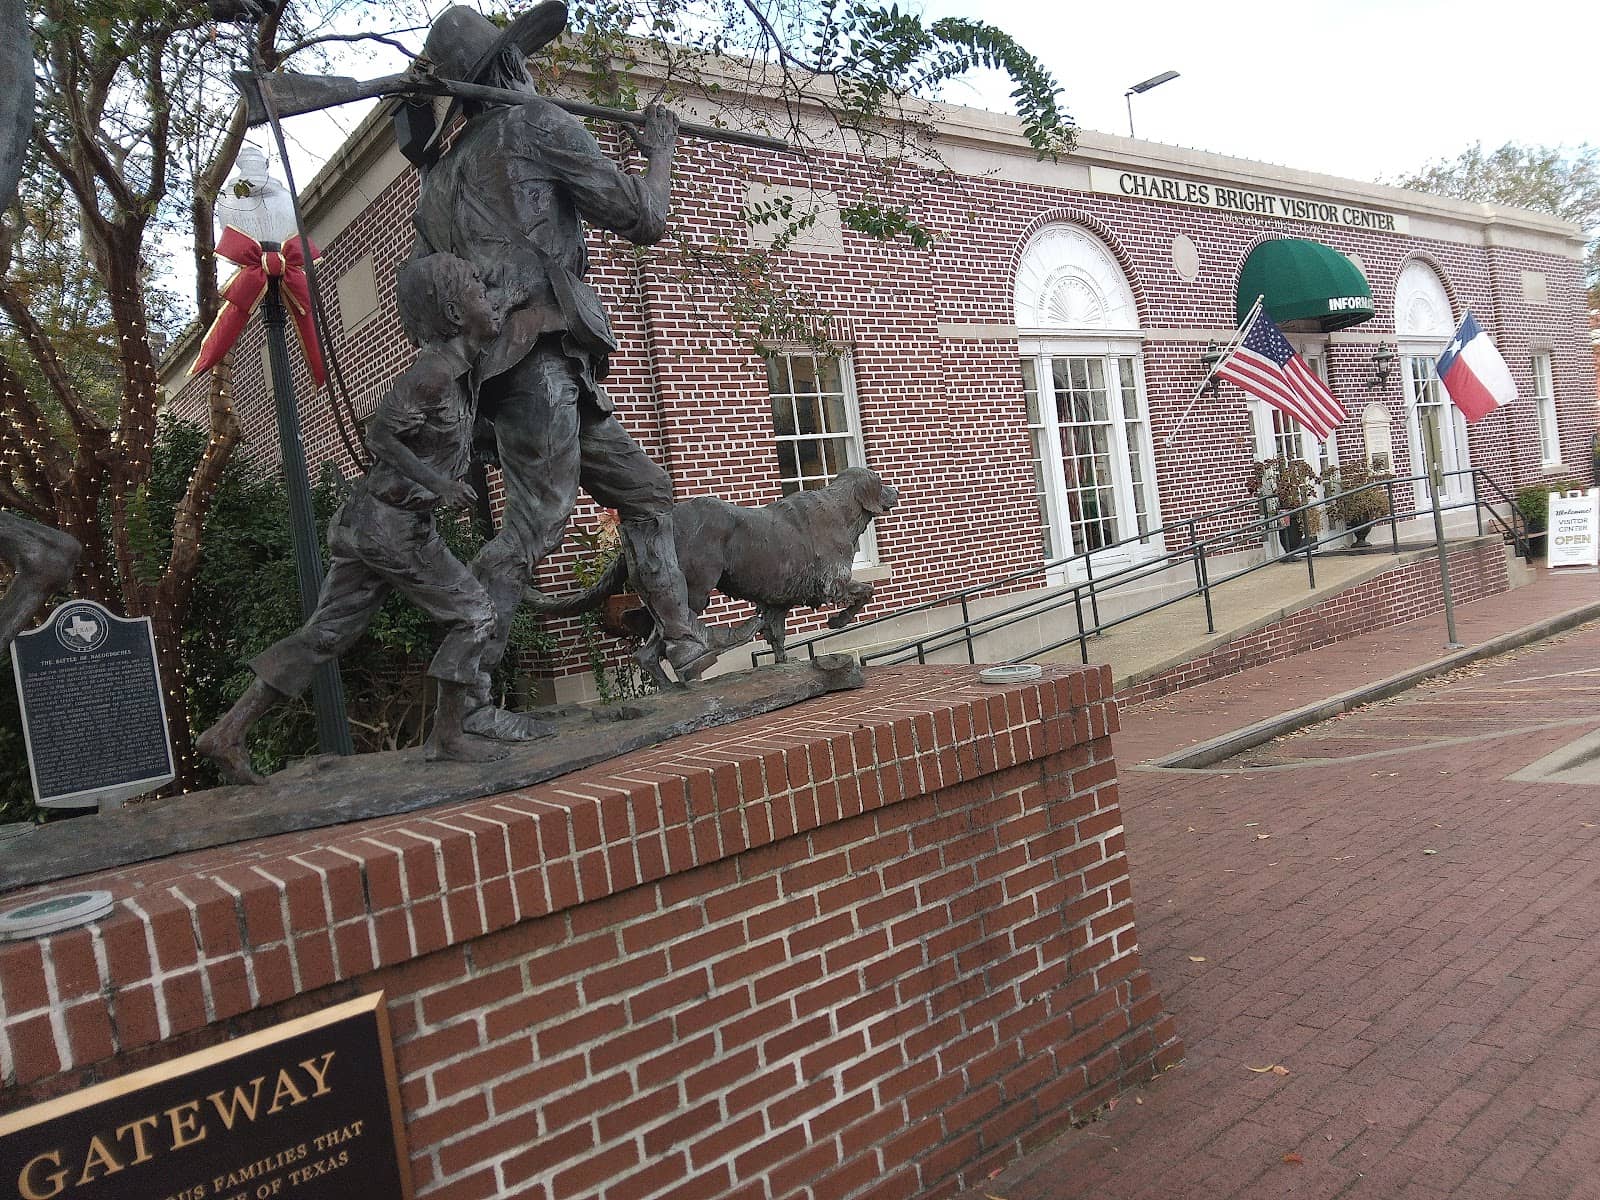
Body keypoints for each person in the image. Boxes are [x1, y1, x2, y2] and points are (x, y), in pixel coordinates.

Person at [406, 2, 733, 740]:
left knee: (645, 490)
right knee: (537, 524)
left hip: (526, 371)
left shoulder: (437, 185)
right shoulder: (536, 123)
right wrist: (659, 146)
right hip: (539, 357)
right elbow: (643, 217)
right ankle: (468, 696)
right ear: (509, 67)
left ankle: (683, 637)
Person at [197, 253, 512, 784]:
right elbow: (380, 436)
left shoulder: (459, 374)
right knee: (474, 614)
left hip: (377, 525)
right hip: (391, 527)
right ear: (456, 315)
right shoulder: (433, 374)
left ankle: (227, 731)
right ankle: (449, 735)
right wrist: (438, 485)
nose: (492, 303)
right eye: (481, 294)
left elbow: (443, 443)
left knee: (325, 635)